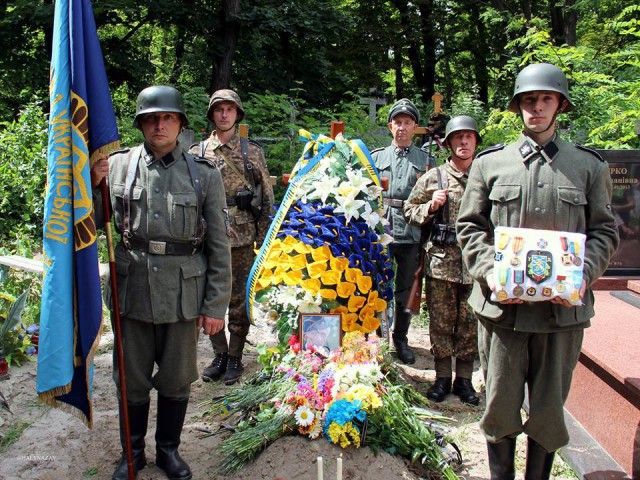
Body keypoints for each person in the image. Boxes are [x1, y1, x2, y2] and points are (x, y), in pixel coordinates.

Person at [456, 63, 619, 479]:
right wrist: (490, 270)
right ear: (518, 107)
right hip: (503, 313)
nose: (537, 108)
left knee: (548, 413)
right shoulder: (491, 164)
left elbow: (605, 230)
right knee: (499, 407)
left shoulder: (587, 167)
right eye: (529, 100)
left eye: (546, 99)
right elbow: (470, 225)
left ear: (560, 104)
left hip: (560, 316)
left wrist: (582, 274)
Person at [91, 85, 232, 480]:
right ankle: (131, 454)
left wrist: (215, 305)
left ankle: (168, 451)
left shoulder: (203, 175)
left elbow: (219, 246)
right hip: (131, 290)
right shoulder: (114, 166)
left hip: (183, 294)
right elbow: (92, 221)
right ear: (140, 124)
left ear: (180, 124)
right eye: (151, 118)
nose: (159, 125)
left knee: (175, 380)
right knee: (131, 381)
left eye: (167, 117)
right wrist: (91, 180)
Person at [190, 89, 275, 385]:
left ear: (237, 114)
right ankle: (220, 354)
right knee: (209, 297)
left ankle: (236, 356)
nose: (224, 114)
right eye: (219, 109)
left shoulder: (251, 152)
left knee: (239, 300)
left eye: (229, 109)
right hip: (206, 236)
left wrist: (265, 239)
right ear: (212, 114)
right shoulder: (198, 153)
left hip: (241, 235)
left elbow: (266, 197)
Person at [403, 115, 481, 406]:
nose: (463, 142)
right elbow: (409, 210)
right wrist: (431, 205)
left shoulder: (484, 177)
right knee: (440, 323)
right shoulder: (434, 177)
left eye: (468, 137)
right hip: (441, 263)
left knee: (469, 324)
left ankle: (464, 380)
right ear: (448, 143)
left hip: (474, 264)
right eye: (458, 138)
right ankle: (441, 378)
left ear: (475, 142)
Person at [372, 99, 437, 365]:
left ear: (414, 127)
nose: (402, 128)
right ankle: (377, 337)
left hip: (411, 231)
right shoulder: (375, 158)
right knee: (377, 285)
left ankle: (401, 337)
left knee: (406, 288)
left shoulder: (426, 161)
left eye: (407, 123)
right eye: (397, 122)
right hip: (382, 229)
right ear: (390, 126)